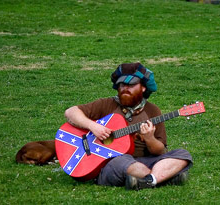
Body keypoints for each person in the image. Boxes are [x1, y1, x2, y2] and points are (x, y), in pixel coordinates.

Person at [64, 63, 193, 190]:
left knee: (182, 154)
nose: (125, 88)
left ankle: (148, 180)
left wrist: (150, 139)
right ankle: (165, 177)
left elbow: (160, 151)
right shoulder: (107, 104)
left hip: (144, 160)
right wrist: (93, 126)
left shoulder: (152, 111)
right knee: (122, 162)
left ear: (143, 87)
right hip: (111, 163)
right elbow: (70, 112)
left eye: (131, 85)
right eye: (121, 84)